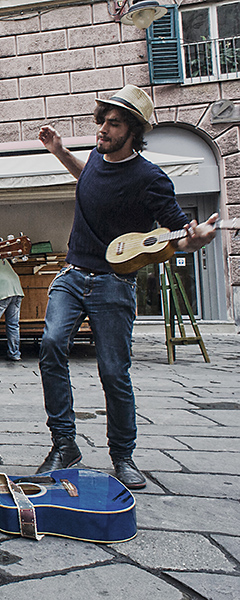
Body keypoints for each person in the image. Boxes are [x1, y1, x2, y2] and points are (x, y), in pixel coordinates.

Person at [36, 85, 218, 489]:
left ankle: (123, 455)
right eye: (101, 120)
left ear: (133, 131)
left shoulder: (150, 179)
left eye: (112, 124)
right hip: (73, 273)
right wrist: (60, 152)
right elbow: (90, 179)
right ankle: (64, 443)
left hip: (114, 283)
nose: (102, 129)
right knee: (50, 344)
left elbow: (176, 234)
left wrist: (198, 238)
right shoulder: (97, 161)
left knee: (113, 372)